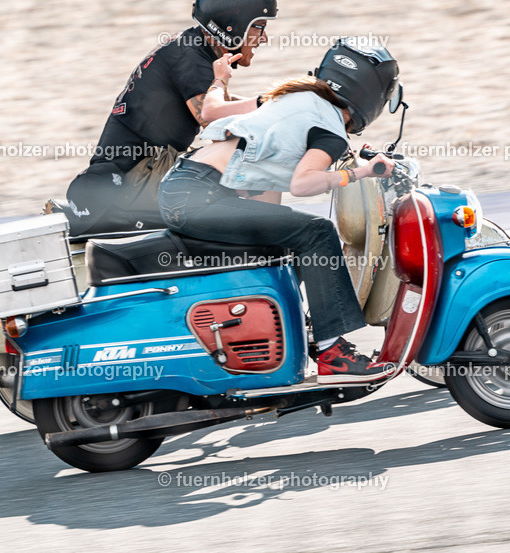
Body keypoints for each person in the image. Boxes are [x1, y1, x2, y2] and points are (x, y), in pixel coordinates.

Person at [158, 40, 400, 382]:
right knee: (319, 232)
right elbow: (303, 184)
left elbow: (210, 113)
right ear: (372, 95)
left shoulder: (289, 97)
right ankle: (332, 353)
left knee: (287, 245)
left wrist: (220, 79)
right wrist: (361, 172)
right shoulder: (330, 132)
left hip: (182, 187)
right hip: (200, 198)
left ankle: (284, 335)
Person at [54, 0, 278, 236]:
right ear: (234, 26)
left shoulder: (190, 48)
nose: (263, 38)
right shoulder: (191, 60)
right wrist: (272, 109)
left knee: (252, 160)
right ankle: (269, 248)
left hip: (145, 171)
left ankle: (258, 245)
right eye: (259, 27)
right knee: (262, 163)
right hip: (134, 181)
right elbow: (216, 121)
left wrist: (279, 103)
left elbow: (225, 105)